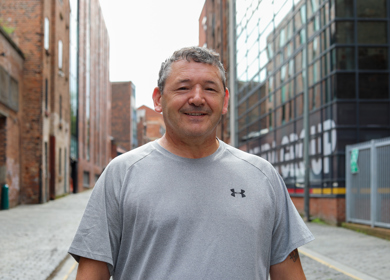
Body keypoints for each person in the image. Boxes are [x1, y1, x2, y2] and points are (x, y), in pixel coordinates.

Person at [69, 46, 314, 280]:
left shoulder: (263, 176)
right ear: (158, 99)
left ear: (225, 100)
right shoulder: (121, 174)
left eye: (210, 89)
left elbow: (289, 274)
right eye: (183, 88)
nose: (197, 99)